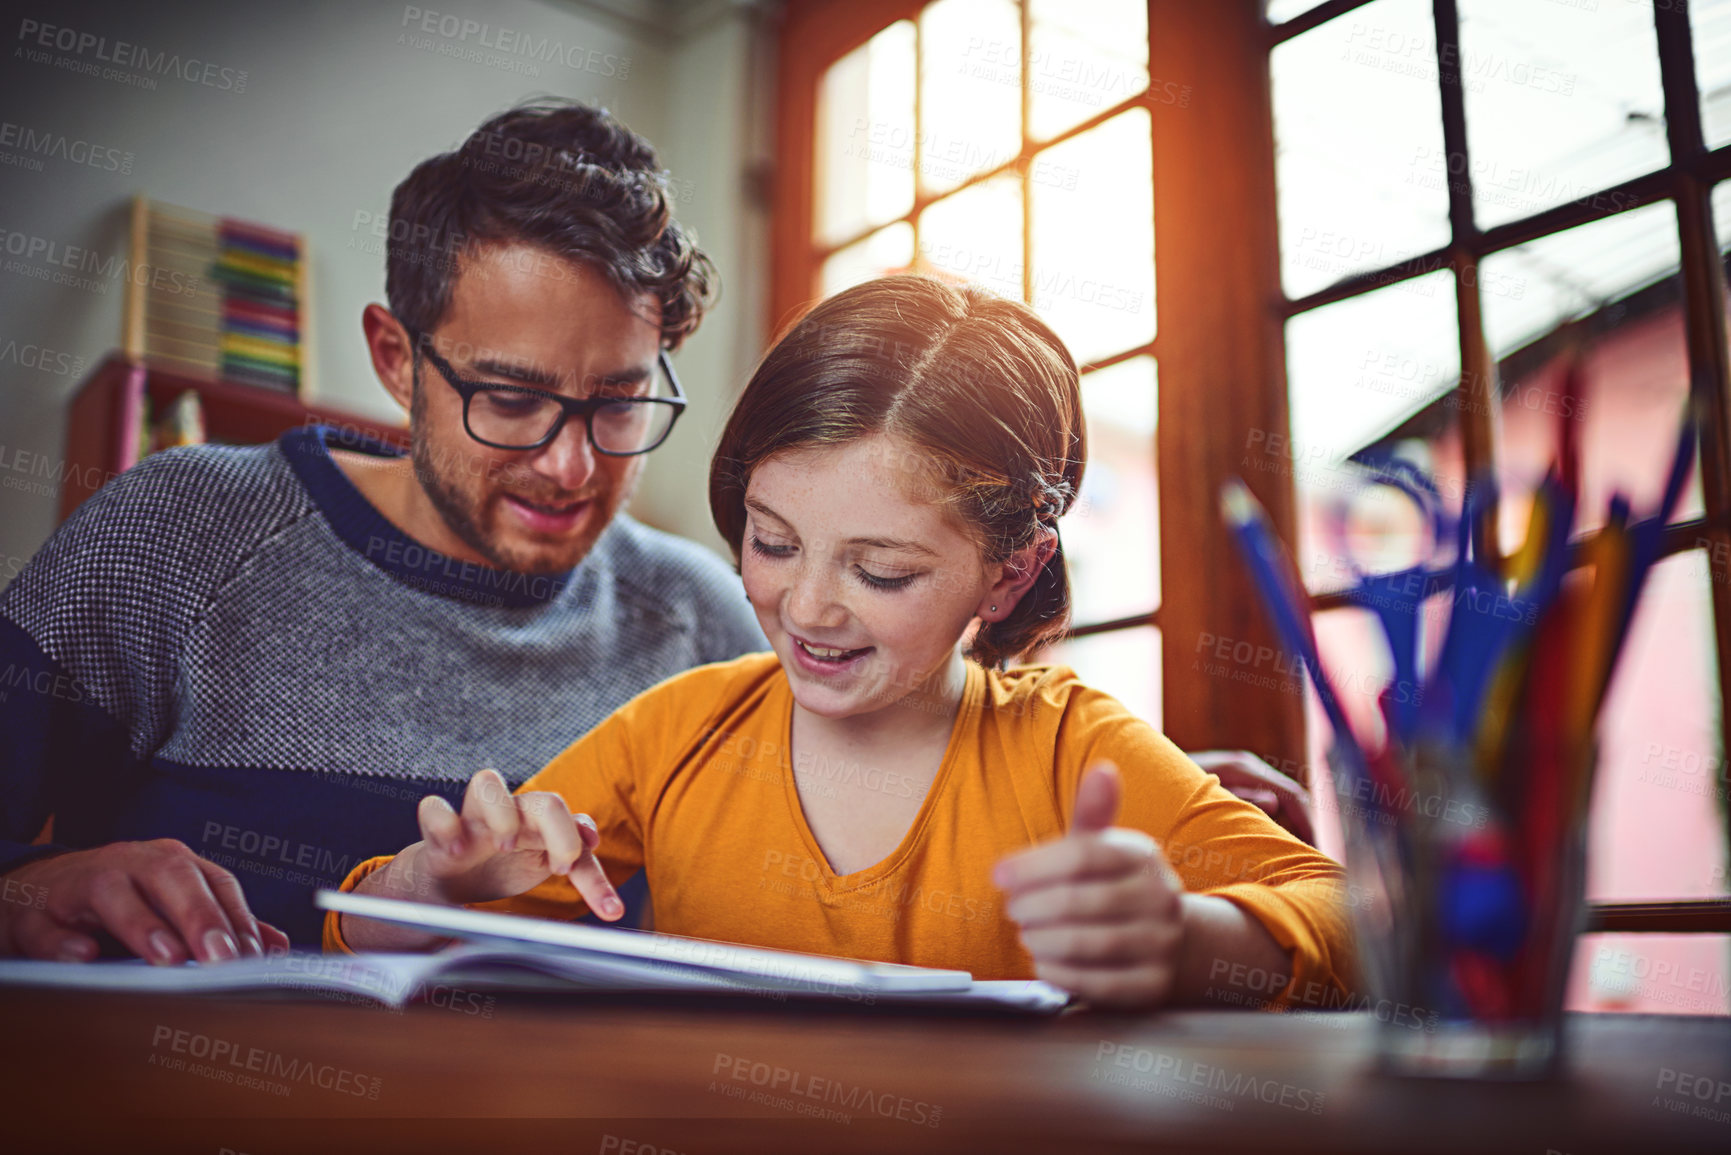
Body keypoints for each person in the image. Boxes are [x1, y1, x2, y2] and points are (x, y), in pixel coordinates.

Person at [330, 275, 1353, 1010]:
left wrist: (1188, 943)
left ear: (1011, 571)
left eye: (882, 572)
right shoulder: (679, 730)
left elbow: (1346, 920)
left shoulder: (1067, 747)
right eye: (772, 542)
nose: (808, 607)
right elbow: (358, 937)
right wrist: (437, 884)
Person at [0, 102, 764, 962]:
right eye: (510, 399)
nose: (571, 467)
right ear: (397, 359)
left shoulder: (704, 620)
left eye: (619, 404)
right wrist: (30, 887)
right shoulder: (176, 536)